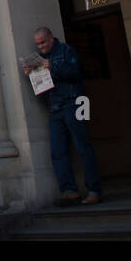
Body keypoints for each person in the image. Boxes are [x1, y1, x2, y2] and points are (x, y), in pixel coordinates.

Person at [23, 25, 102, 206]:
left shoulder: (66, 51)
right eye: (38, 44)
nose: (41, 47)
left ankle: (94, 190)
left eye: (43, 42)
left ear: (51, 38)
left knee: (83, 146)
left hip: (76, 102)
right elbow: (43, 88)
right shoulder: (41, 58)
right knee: (58, 151)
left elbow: (76, 73)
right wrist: (32, 75)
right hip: (55, 107)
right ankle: (69, 190)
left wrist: (52, 66)